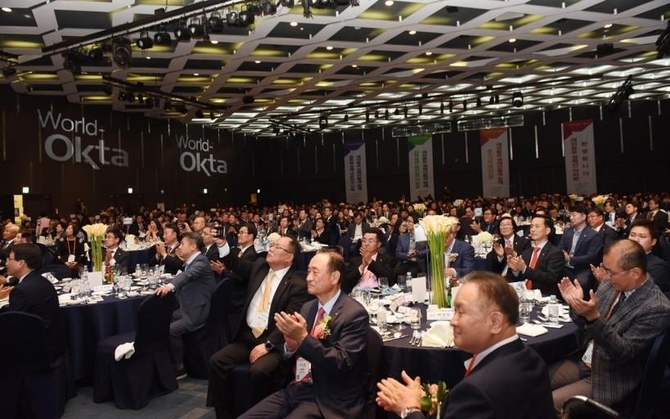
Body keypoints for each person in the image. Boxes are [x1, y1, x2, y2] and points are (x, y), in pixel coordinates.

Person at [375, 271, 555, 418]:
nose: (452, 321)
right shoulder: (531, 358)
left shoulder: (477, 390)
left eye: (460, 312)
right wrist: (441, 404)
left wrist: (409, 409)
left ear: (495, 322)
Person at [239, 250, 369, 418]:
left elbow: (341, 363)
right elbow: (295, 355)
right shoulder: (308, 308)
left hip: (329, 396)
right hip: (297, 387)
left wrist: (302, 338)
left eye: (315, 272)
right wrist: (290, 346)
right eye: (308, 271)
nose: (308, 278)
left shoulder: (354, 314)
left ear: (334, 277)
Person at [551, 239, 670, 415]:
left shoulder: (656, 307)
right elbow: (586, 325)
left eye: (611, 271)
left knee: (547, 403)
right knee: (535, 380)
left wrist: (593, 317)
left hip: (611, 377)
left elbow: (623, 353)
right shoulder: (610, 283)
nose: (606, 275)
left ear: (635, 273)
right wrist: (578, 304)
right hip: (585, 360)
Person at [206, 236, 307, 419]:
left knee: (259, 371)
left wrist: (269, 345)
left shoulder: (297, 285)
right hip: (247, 337)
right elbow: (235, 264)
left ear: (289, 257)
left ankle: (256, 414)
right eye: (272, 245)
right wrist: (222, 244)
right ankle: (224, 413)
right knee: (217, 361)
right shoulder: (260, 267)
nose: (271, 248)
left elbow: (288, 322)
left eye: (278, 247)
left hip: (273, 341)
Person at [156, 232, 216, 379]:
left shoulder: (201, 261)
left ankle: (180, 367)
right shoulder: (192, 261)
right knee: (163, 319)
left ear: (193, 247)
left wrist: (170, 286)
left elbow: (187, 275)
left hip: (197, 310)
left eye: (182, 244)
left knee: (171, 331)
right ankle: (166, 361)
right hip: (188, 306)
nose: (179, 247)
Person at [0, 243, 66, 363]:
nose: (6, 263)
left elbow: (13, 327)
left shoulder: (21, 291)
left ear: (21, 263)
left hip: (34, 352)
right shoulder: (43, 281)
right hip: (53, 344)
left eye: (10, 259)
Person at [507, 215, 564, 297]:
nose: (532, 230)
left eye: (537, 226)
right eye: (531, 226)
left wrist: (524, 269)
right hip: (523, 294)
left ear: (547, 230)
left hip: (543, 295)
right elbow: (519, 278)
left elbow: (550, 278)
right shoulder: (526, 252)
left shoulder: (555, 253)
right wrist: (515, 270)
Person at [557, 205, 603, 291]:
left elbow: (591, 257)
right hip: (566, 266)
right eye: (570, 215)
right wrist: (562, 253)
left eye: (574, 215)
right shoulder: (567, 231)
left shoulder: (593, 235)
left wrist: (570, 259)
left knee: (580, 284)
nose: (571, 218)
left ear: (583, 217)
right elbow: (560, 247)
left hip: (582, 268)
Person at [342, 227, 395, 293]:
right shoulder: (355, 260)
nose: (366, 244)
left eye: (370, 241)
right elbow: (346, 283)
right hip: (358, 293)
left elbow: (389, 279)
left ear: (378, 244)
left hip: (378, 293)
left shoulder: (387, 259)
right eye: (364, 241)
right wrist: (362, 267)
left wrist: (370, 261)